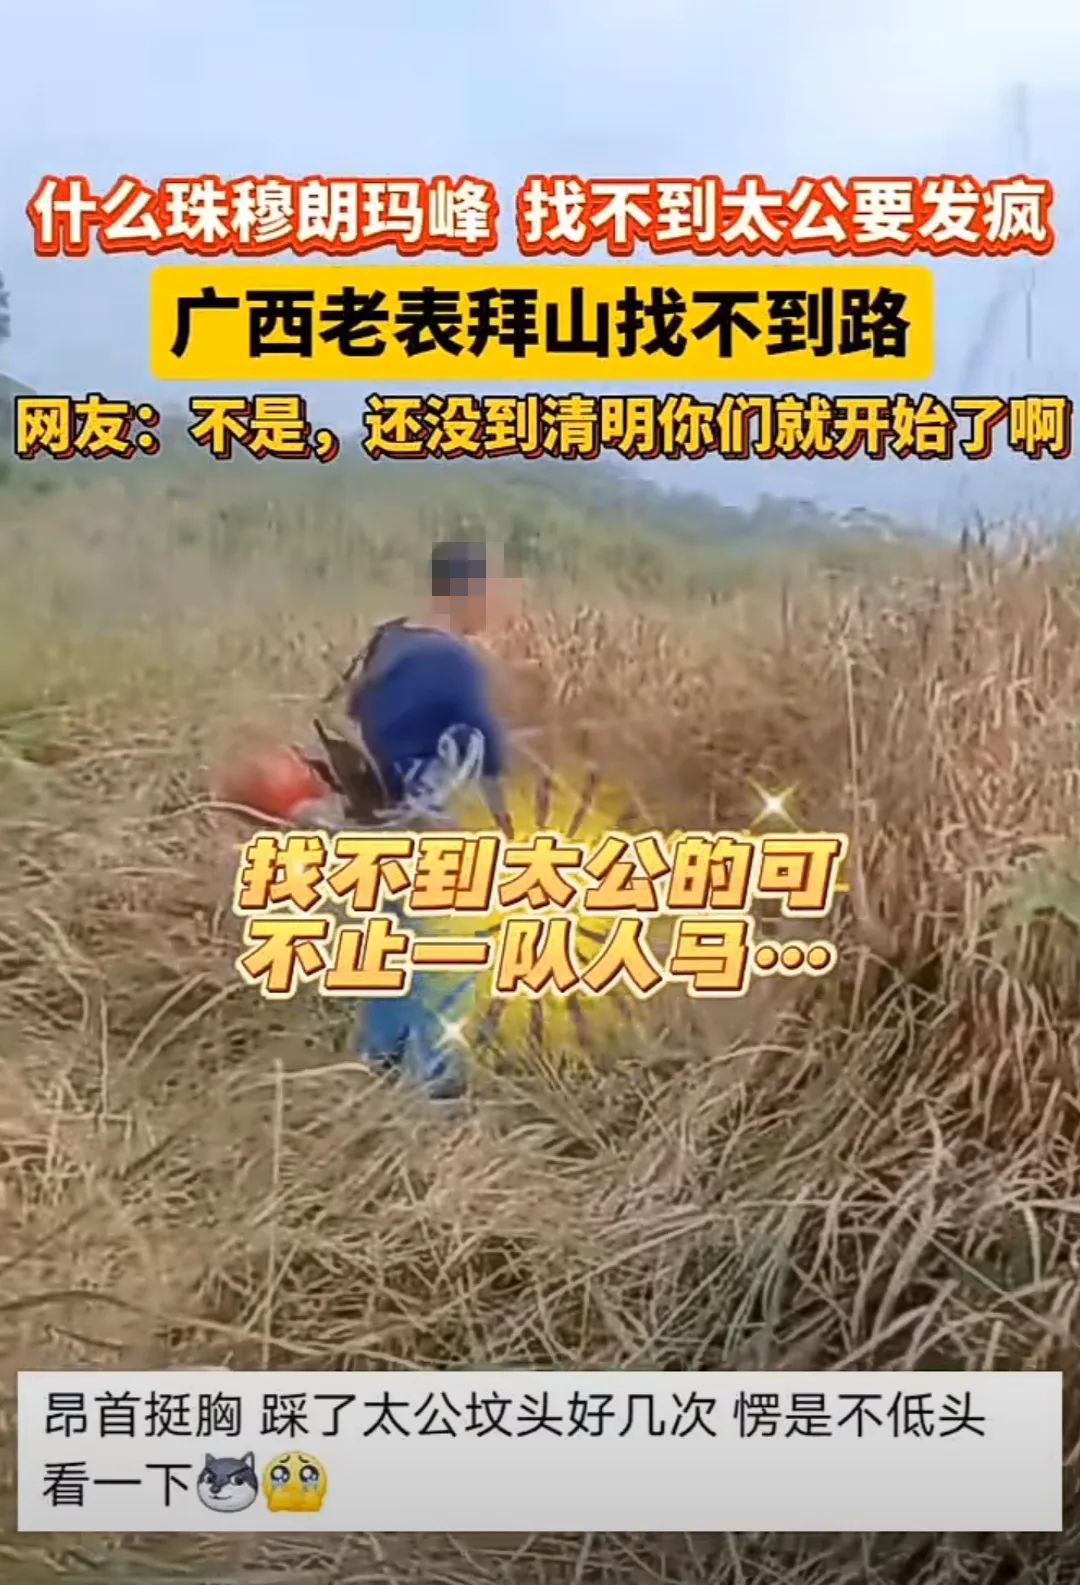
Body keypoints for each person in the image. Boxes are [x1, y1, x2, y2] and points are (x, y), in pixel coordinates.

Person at [341, 537, 515, 1101]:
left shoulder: (386, 640)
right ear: (470, 590)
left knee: (389, 953)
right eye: (494, 590)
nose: (498, 603)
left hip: (377, 819)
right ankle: (433, 1094)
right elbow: (487, 752)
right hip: (433, 831)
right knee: (445, 964)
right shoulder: (454, 660)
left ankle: (375, 1075)